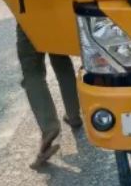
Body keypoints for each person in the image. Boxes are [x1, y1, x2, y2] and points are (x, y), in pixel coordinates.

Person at [16, 23, 82, 168]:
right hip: (53, 15)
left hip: (28, 16)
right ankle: (73, 114)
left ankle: (49, 126)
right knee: (62, 62)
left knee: (32, 73)